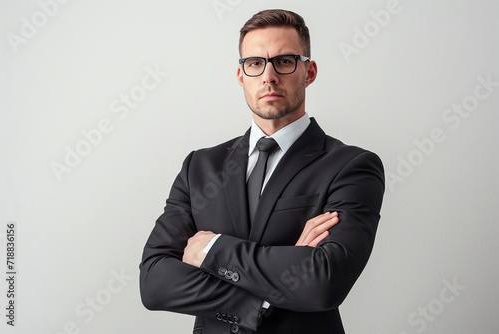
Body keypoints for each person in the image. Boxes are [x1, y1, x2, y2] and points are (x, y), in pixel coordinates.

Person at [140, 9, 385, 334]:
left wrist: (212, 250)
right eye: (255, 63)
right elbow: (155, 281)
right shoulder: (199, 167)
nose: (269, 76)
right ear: (242, 75)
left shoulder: (351, 167)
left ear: (309, 71)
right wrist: (270, 290)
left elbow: (324, 282)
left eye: (284, 61)